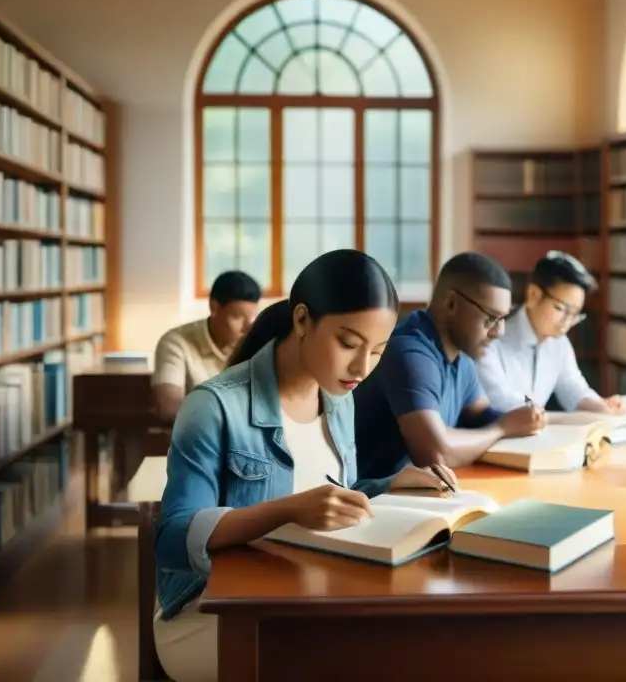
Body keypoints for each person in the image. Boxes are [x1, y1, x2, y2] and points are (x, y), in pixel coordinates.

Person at [153, 250, 455, 682]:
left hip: (306, 594)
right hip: (213, 614)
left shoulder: (338, 397)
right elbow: (173, 538)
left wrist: (390, 484)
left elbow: (326, 491)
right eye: (348, 344)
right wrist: (288, 510)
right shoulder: (213, 406)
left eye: (378, 351)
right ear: (300, 320)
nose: (361, 367)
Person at [353, 252, 545, 480]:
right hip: (374, 503)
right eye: (491, 318)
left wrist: (520, 418)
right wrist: (503, 428)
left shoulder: (461, 358)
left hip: (421, 495)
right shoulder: (409, 353)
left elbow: (479, 415)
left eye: (503, 318)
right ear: (451, 303)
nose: (498, 332)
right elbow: (436, 454)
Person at [475, 251, 624, 414]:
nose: (567, 322)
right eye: (560, 309)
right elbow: (502, 398)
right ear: (533, 295)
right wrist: (541, 413)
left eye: (574, 314)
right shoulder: (490, 340)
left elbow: (573, 386)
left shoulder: (559, 343)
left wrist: (600, 406)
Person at [151, 270, 261, 422]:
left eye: (253, 317)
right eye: (237, 317)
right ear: (214, 307)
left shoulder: (258, 342)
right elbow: (169, 406)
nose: (248, 327)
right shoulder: (176, 342)